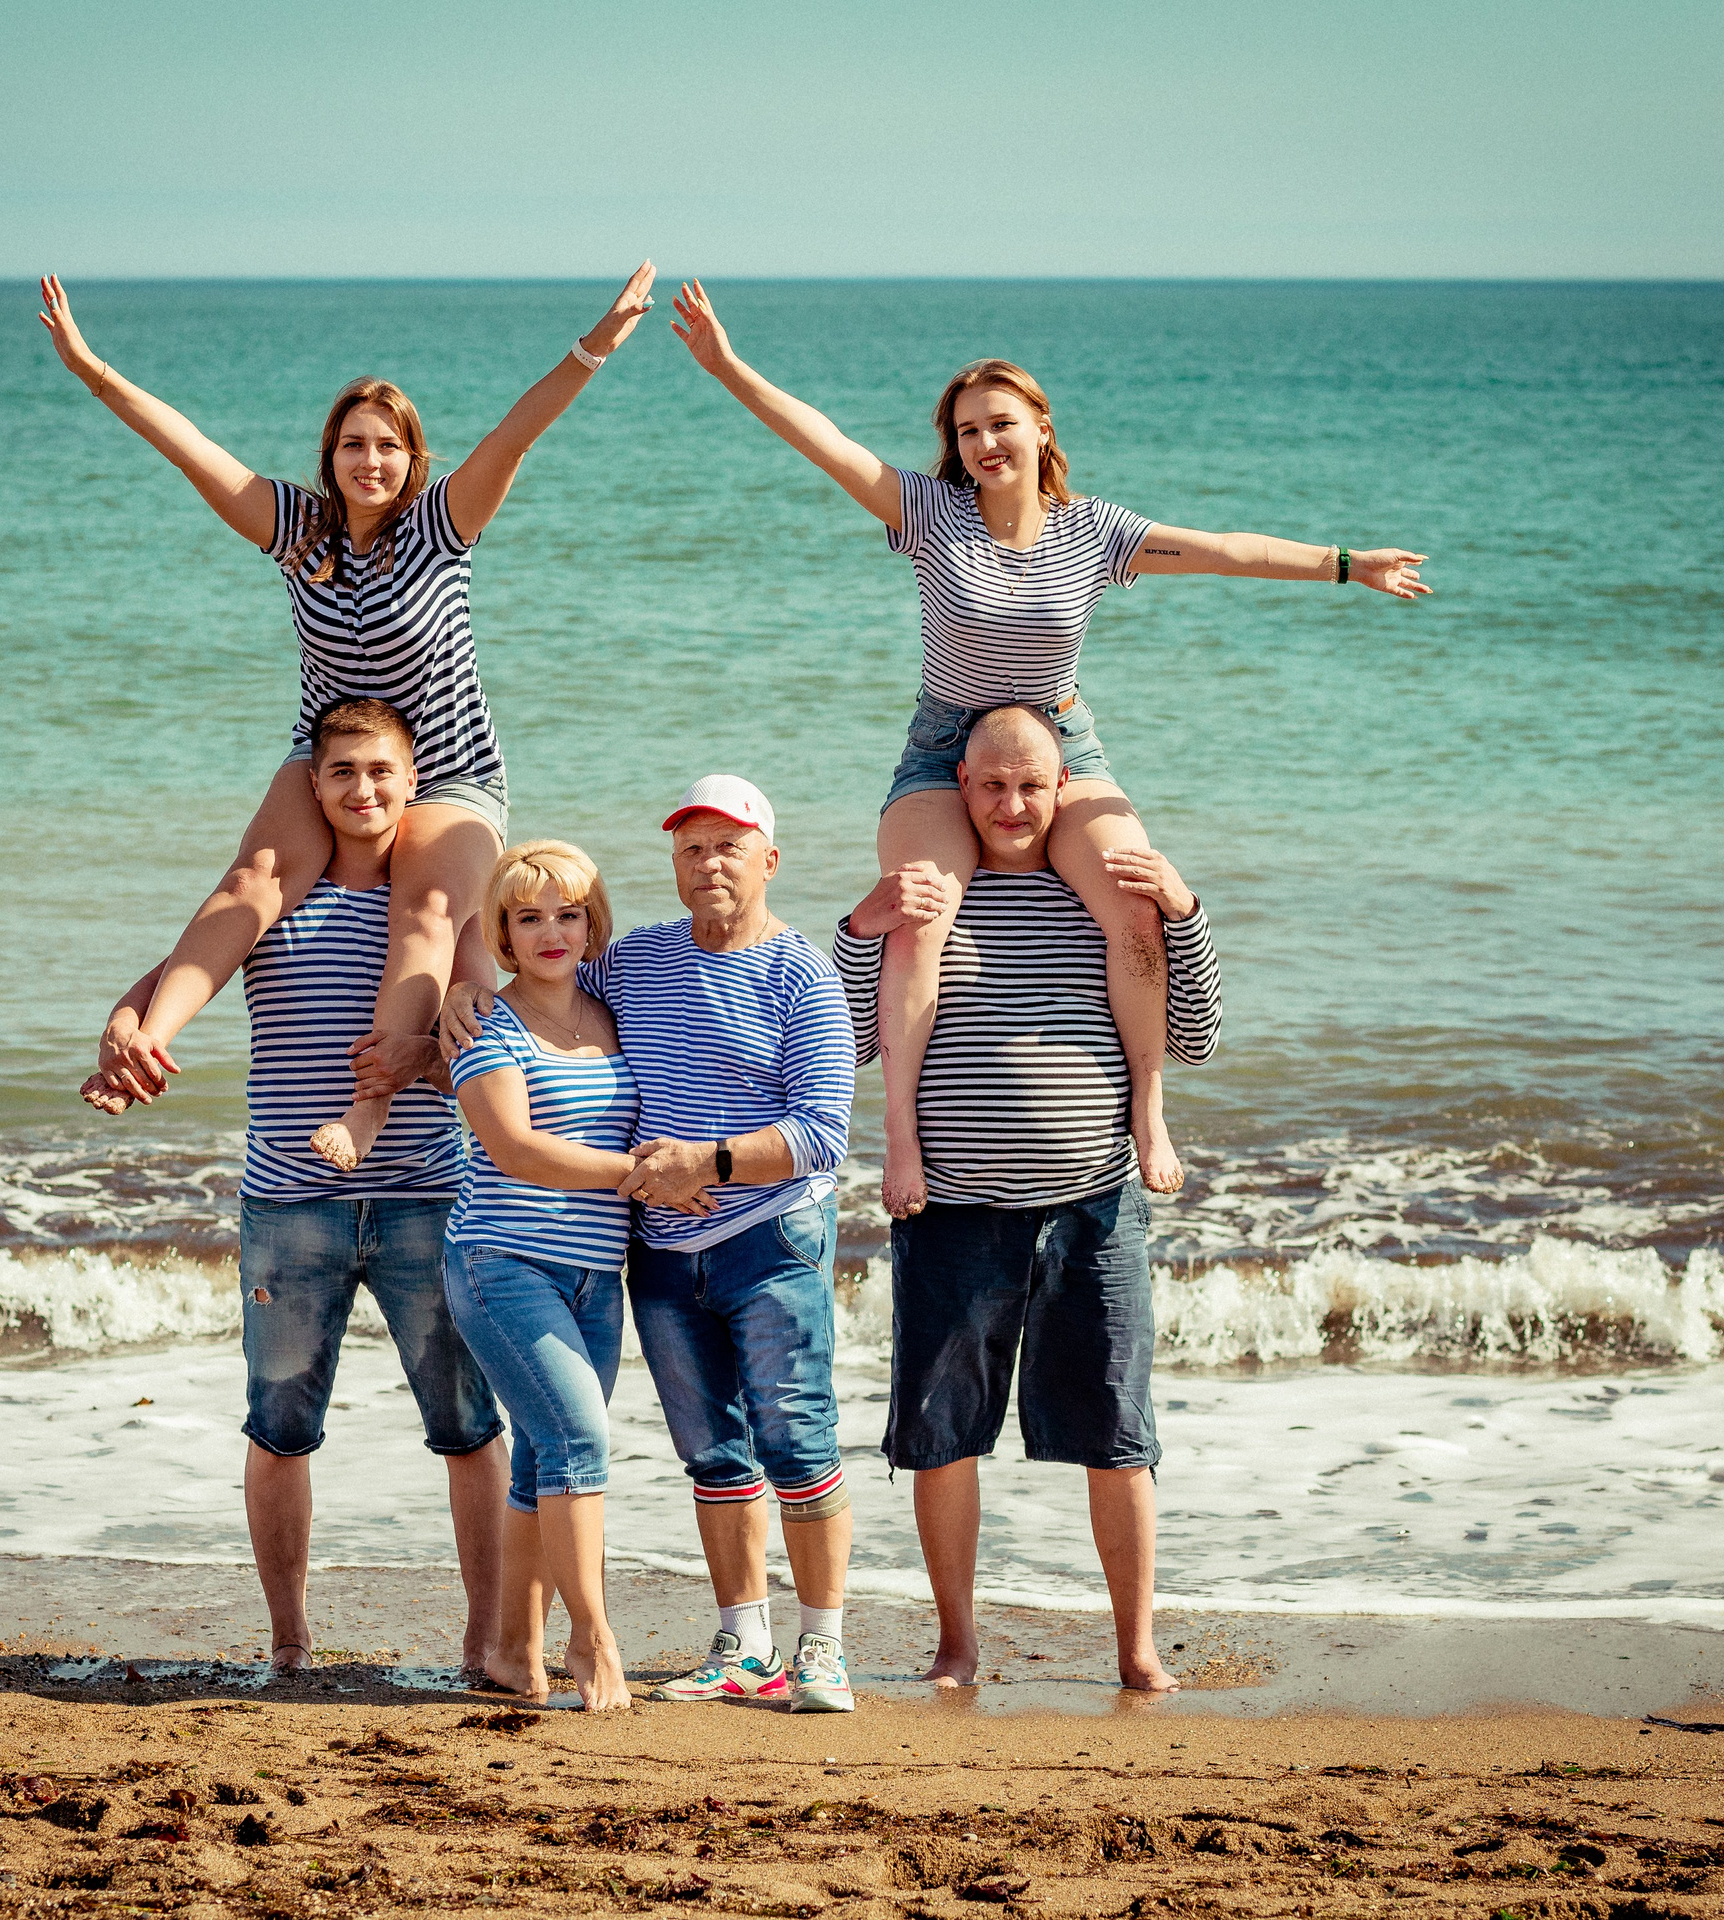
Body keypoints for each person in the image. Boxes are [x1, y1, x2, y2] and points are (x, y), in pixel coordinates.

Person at [667, 280, 1416, 1214]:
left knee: (1137, 903)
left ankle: (1147, 1109)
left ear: (1041, 430)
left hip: (1061, 745)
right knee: (921, 915)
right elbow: (825, 442)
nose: (984, 442)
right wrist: (728, 365)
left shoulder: (1096, 533)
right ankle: (899, 1139)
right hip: (946, 749)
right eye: (968, 429)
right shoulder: (927, 514)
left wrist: (1351, 566)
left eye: (1001, 424)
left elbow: (1229, 550)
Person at [43, 263, 659, 1169]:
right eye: (351, 445)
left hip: (448, 768)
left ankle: (368, 1111)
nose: (369, 462)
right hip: (330, 753)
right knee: (255, 876)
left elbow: (516, 435)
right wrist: (94, 370)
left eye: (387, 446)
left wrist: (594, 346)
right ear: (328, 458)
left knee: (428, 911)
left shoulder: (442, 524)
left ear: (412, 459)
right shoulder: (299, 529)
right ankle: (150, 1041)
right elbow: (188, 448)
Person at [87, 698, 508, 1676]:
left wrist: (426, 1059)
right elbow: (161, 988)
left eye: (380, 773)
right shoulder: (276, 901)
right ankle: (288, 1642)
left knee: (468, 1430)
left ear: (413, 783)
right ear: (312, 787)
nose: (362, 790)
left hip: (425, 1200)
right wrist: (122, 1031)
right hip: (287, 1205)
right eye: (341, 773)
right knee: (279, 1431)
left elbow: (489, 1057)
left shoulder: (445, 913)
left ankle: (485, 1640)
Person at [830, 706, 1224, 1694]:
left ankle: (1136, 1650)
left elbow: (1200, 1034)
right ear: (959, 788)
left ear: (1063, 791)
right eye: (992, 786)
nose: (1011, 805)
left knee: (1118, 1441)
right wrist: (855, 928)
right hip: (949, 1207)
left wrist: (1183, 910)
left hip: (1091, 1204)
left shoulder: (1101, 901)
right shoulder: (929, 899)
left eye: (1031, 786)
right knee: (940, 1439)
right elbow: (842, 1042)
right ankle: (956, 1647)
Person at [444, 776, 859, 1712]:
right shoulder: (632, 962)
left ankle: (822, 1646)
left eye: (728, 845)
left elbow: (822, 1135)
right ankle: (744, 1643)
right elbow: (534, 978)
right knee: (712, 1451)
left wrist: (704, 1163)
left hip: (768, 1235)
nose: (709, 863)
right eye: (691, 849)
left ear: (768, 860)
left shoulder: (803, 975)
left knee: (796, 1437)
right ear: (672, 867)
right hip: (662, 1254)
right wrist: (457, 999)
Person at [441, 840, 660, 1713]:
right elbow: (515, 1150)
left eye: (567, 914)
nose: (551, 932)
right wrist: (638, 1172)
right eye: (528, 917)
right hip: (502, 1266)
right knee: (580, 1444)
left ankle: (511, 1650)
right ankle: (594, 1639)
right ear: (503, 931)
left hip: (597, 1276)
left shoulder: (613, 1014)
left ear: (591, 922)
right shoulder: (486, 1025)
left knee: (542, 1457)